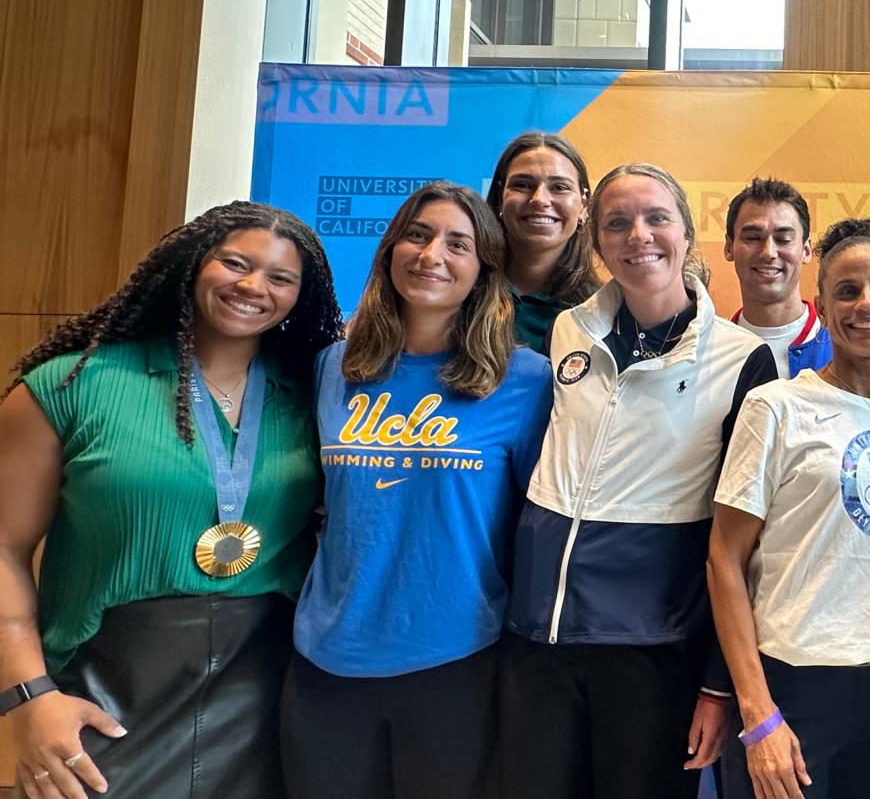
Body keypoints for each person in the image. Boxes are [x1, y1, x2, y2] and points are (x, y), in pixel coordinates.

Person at [0, 202, 341, 798]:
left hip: (266, 691)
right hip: (104, 687)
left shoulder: (317, 396)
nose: (253, 286)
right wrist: (26, 694)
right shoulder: (70, 385)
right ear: (189, 266)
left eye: (280, 278)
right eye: (234, 263)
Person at [499, 162, 779, 799]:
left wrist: (716, 683)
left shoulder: (743, 359)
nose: (638, 236)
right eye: (617, 223)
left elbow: (746, 540)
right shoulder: (570, 330)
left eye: (656, 219)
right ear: (596, 242)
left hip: (653, 650)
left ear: (686, 234)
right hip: (537, 640)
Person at [280, 183, 552, 797]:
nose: (432, 254)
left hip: (456, 661)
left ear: (484, 270)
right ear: (390, 250)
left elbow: (533, 527)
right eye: (418, 234)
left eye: (458, 244)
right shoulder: (334, 366)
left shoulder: (524, 380)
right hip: (326, 659)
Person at [710, 218, 870, 799]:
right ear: (823, 307)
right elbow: (723, 561)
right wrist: (757, 713)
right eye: (847, 291)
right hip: (792, 685)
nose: (867, 305)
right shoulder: (776, 407)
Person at [723, 178, 870, 390]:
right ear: (729, 247)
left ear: (806, 250)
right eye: (753, 238)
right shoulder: (710, 350)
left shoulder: (868, 345)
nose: (768, 253)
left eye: (783, 239)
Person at [486, 131, 601, 353]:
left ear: (584, 206)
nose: (539, 199)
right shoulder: (459, 292)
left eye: (559, 187)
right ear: (501, 198)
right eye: (522, 184)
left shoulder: (604, 310)